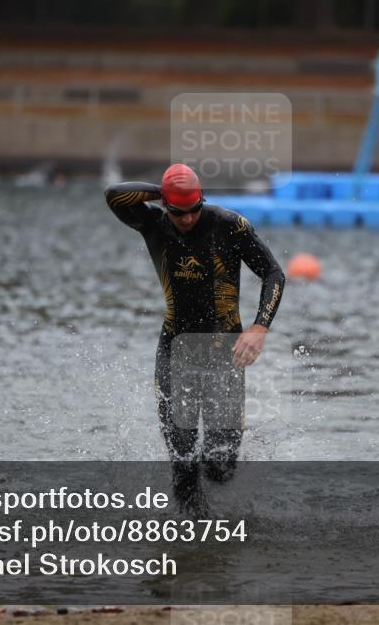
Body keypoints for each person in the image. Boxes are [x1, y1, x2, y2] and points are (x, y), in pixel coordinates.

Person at [105, 164, 285, 515]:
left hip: (224, 352)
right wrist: (167, 191)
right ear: (166, 206)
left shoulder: (228, 226)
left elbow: (273, 273)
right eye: (178, 212)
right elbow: (113, 195)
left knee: (220, 466)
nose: (186, 219)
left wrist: (259, 327)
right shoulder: (153, 223)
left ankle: (217, 533)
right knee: (183, 457)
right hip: (175, 350)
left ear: (202, 201)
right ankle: (192, 548)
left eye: (193, 209)